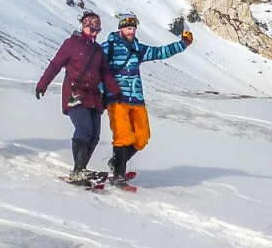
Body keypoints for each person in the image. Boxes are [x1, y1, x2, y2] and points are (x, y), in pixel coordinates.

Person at [101, 13, 192, 184]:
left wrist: (183, 44)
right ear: (120, 28)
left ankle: (116, 162)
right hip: (116, 98)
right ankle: (118, 175)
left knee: (142, 138)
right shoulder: (108, 47)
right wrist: (100, 93)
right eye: (128, 28)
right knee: (123, 136)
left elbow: (159, 52)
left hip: (136, 99)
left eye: (134, 28)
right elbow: (98, 69)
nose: (132, 31)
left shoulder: (138, 48)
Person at [36, 11, 123, 181]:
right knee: (84, 129)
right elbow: (55, 65)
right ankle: (79, 170)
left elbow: (105, 74)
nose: (95, 33)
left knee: (95, 135)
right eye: (92, 30)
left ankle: (81, 169)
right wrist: (42, 84)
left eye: (98, 30)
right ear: (84, 26)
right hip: (75, 94)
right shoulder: (71, 44)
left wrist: (115, 91)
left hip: (94, 97)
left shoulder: (98, 50)